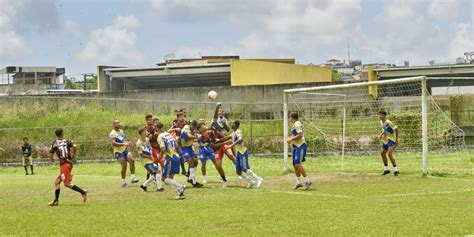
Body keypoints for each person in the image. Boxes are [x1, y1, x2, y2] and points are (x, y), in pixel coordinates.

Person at [48, 128, 87, 206]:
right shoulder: (68, 141)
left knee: (66, 183)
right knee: (57, 182)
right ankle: (56, 201)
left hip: (64, 164)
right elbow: (75, 146)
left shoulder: (54, 143)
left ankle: (83, 192)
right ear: (62, 133)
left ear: (56, 135)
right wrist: (73, 155)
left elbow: (50, 154)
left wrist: (52, 159)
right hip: (69, 163)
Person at [228, 120, 263, 188]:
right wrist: (218, 141)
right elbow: (227, 138)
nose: (231, 124)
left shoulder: (238, 131)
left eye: (232, 123)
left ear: (235, 125)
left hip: (242, 152)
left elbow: (240, 139)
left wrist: (231, 145)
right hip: (238, 153)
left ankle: (258, 179)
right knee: (238, 171)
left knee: (244, 168)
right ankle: (250, 182)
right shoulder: (233, 133)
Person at [156, 122, 186, 200]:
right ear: (163, 127)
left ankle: (181, 186)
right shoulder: (168, 134)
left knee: (164, 178)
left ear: (157, 129)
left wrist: (161, 155)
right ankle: (180, 194)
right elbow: (176, 145)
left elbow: (162, 148)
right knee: (170, 177)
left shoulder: (160, 137)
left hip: (171, 158)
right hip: (176, 156)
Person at [109, 119, 138, 187]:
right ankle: (123, 181)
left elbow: (123, 140)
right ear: (113, 125)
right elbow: (113, 143)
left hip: (124, 150)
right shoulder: (112, 133)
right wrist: (124, 144)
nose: (118, 124)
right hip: (118, 152)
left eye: (119, 122)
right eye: (116, 123)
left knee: (132, 160)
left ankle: (133, 177)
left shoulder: (121, 131)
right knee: (124, 166)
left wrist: (127, 143)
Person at [287, 112, 311, 190]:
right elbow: (296, 135)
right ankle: (299, 182)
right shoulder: (295, 124)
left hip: (301, 146)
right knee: (294, 164)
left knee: (297, 164)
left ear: (292, 117)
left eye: (289, 117)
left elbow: (300, 135)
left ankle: (307, 180)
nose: (288, 119)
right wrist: (291, 140)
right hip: (296, 146)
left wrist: (291, 139)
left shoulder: (297, 124)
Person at [180, 120, 203, 187]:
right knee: (191, 163)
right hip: (184, 148)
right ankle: (194, 182)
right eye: (192, 125)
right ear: (190, 124)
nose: (192, 127)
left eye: (194, 126)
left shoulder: (192, 130)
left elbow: (192, 139)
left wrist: (199, 138)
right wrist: (197, 137)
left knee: (196, 162)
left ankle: (190, 178)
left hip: (189, 147)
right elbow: (189, 136)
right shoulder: (186, 127)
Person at [378, 110, 399, 176]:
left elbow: (396, 129)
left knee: (389, 154)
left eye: (381, 115)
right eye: (379, 115)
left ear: (384, 116)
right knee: (382, 153)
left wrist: (396, 139)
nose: (380, 116)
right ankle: (386, 169)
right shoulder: (381, 122)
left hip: (391, 139)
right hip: (386, 140)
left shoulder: (388, 122)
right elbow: (384, 130)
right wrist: (381, 135)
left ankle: (396, 170)